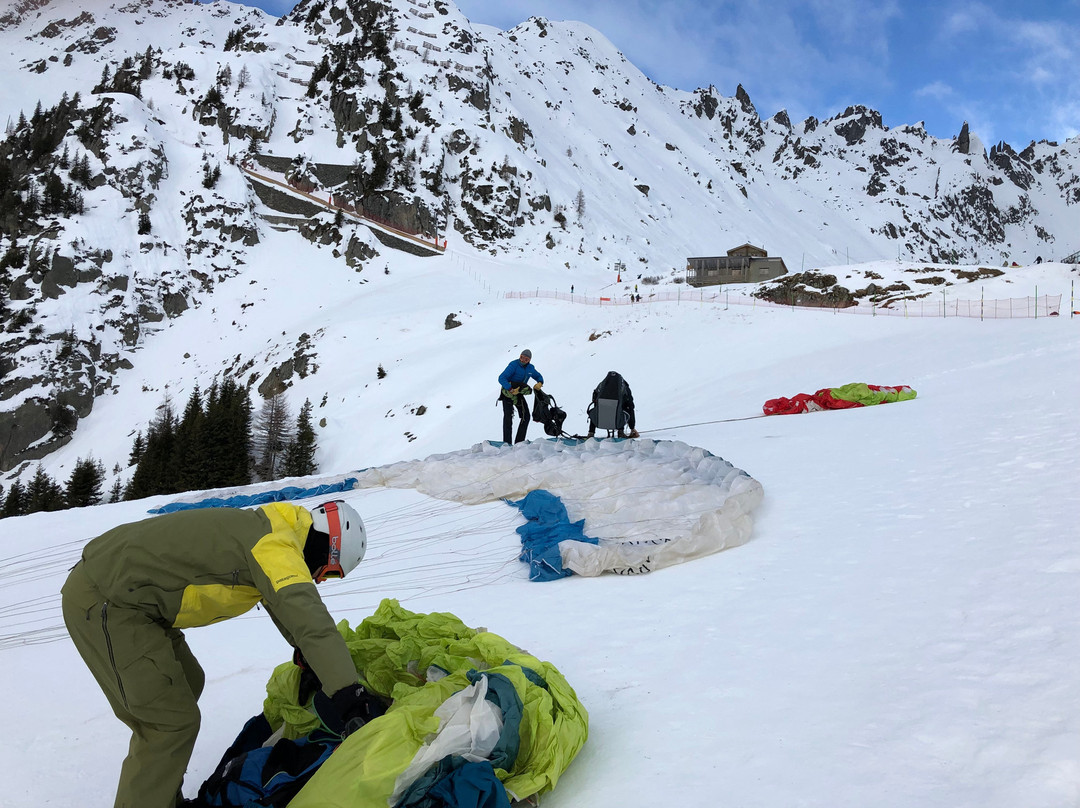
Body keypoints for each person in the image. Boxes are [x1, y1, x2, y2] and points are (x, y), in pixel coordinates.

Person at [61, 500, 379, 808]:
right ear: (328, 544)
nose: (320, 579)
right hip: (109, 601)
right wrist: (350, 694)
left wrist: (308, 659)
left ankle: (161, 798)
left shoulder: (274, 530)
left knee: (186, 682)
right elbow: (310, 618)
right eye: (331, 572)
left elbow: (283, 605)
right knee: (168, 722)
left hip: (130, 597)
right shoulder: (275, 547)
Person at [498, 348, 543, 444]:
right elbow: (501, 378)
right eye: (522, 357)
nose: (523, 360)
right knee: (508, 417)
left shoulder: (530, 368)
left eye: (526, 359)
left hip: (518, 393)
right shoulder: (513, 365)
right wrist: (510, 389)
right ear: (520, 356)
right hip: (507, 393)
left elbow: (538, 376)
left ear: (529, 360)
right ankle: (507, 444)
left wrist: (540, 382)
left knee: (525, 416)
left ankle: (519, 443)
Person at [587, 370, 638, 438]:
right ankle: (621, 432)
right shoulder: (624, 388)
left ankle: (591, 433)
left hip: (599, 420)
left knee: (594, 410)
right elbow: (631, 406)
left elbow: (594, 398)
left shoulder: (601, 386)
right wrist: (632, 427)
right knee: (623, 408)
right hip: (617, 422)